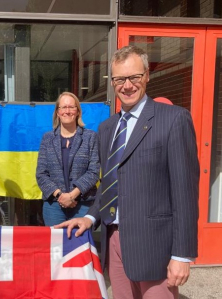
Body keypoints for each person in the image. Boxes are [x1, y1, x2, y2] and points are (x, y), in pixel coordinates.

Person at [55, 46, 199, 299]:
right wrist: (89, 218)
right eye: (120, 79)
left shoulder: (174, 119)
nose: (127, 85)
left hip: (155, 248)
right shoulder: (107, 127)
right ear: (112, 82)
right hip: (114, 243)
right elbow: (110, 184)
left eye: (134, 77)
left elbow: (185, 193)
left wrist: (181, 254)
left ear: (146, 76)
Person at [36, 92, 99, 226]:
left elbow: (93, 172)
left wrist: (72, 195)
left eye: (71, 107)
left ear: (77, 111)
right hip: (53, 206)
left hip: (82, 204)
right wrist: (60, 196)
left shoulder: (90, 137)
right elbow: (41, 174)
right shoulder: (47, 138)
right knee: (56, 246)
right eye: (63, 107)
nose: (67, 111)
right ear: (57, 112)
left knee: (81, 245)